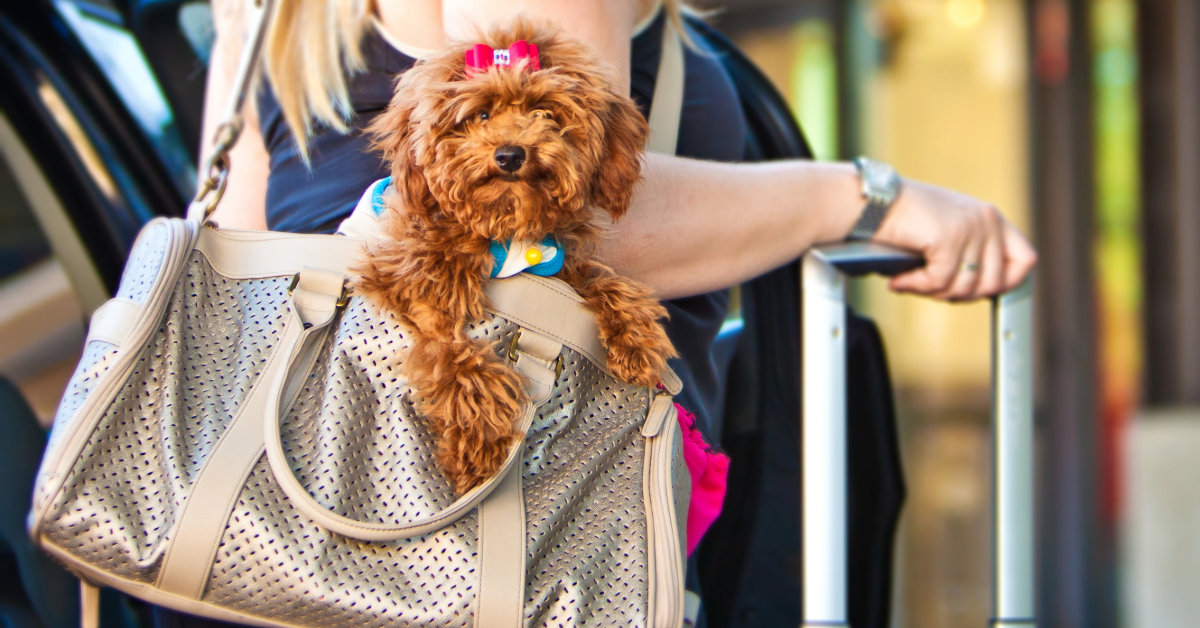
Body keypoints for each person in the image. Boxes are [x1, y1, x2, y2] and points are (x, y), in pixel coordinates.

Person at [169, 0, 1036, 626]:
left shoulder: (271, 17)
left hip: (298, 535)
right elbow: (557, 222)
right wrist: (863, 198)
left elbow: (238, 266)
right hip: (526, 541)